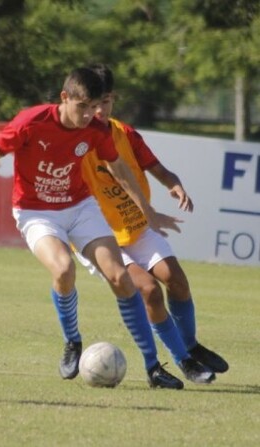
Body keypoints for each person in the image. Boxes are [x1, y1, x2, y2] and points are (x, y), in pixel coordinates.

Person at [0, 66, 207, 389]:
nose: (89, 115)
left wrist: (147, 211)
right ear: (64, 98)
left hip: (80, 208)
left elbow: (118, 167)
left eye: (95, 107)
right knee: (63, 270)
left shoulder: (95, 129)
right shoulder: (31, 122)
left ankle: (153, 368)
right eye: (83, 107)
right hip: (36, 213)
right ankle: (72, 340)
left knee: (121, 277)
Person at [75, 63, 228, 381]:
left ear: (113, 99)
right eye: (93, 103)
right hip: (100, 236)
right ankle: (183, 361)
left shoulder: (125, 134)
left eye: (105, 101)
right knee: (149, 291)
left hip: (136, 226)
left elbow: (159, 170)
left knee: (176, 279)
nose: (99, 109)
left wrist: (174, 184)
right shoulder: (76, 139)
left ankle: (191, 346)